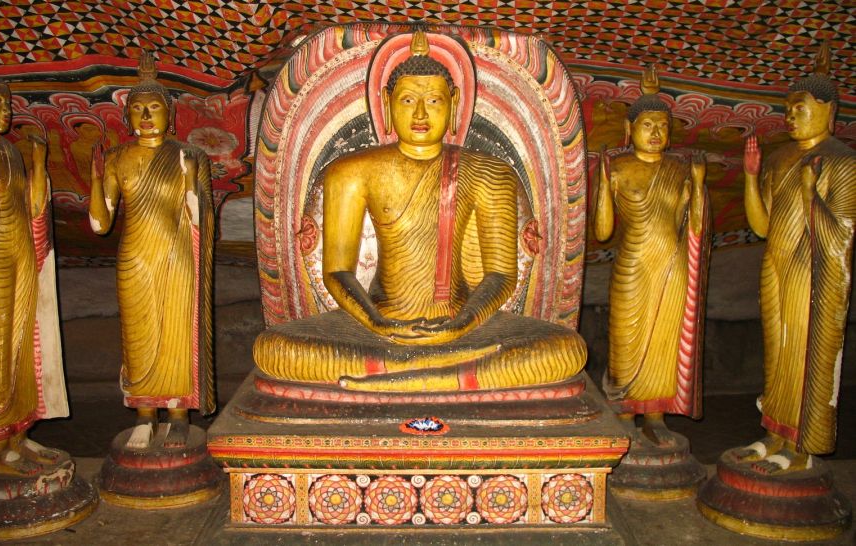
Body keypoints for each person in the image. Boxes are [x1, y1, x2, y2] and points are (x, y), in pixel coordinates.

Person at [252, 31, 586, 392]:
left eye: (434, 101)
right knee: (276, 349)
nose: (421, 114)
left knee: (564, 350)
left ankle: (390, 381)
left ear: (455, 102)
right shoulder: (350, 172)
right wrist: (377, 323)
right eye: (408, 99)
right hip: (375, 328)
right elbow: (336, 270)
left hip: (466, 330)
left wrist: (463, 323)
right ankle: (445, 380)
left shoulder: (490, 172)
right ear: (386, 102)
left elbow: (501, 276)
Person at [735, 43, 855, 474]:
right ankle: (774, 434)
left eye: (800, 107)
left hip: (812, 275)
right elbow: (762, 225)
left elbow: (841, 236)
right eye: (787, 109)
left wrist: (810, 194)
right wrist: (750, 178)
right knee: (778, 353)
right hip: (777, 268)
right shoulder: (781, 157)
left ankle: (802, 445)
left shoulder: (842, 163)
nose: (791, 117)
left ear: (829, 110)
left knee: (806, 356)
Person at [89, 54, 215, 449]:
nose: (146, 116)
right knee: (139, 337)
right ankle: (144, 415)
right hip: (135, 259)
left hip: (178, 258)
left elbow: (203, 218)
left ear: (170, 115)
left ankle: (178, 414)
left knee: (179, 334)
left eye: (155, 107)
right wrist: (96, 177)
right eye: (138, 110)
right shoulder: (117, 158)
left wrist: (191, 180)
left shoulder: (190, 156)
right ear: (127, 119)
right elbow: (99, 223)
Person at [0, 68, 68, 474]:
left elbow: (34, 210)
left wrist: (38, 164)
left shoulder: (11, 151)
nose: (6, 110)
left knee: (24, 346)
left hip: (20, 256)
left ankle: (18, 437)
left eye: (6, 102)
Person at [595, 65, 710, 444]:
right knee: (626, 339)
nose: (656, 132)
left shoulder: (679, 169)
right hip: (632, 264)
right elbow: (603, 232)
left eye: (663, 125)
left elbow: (693, 227)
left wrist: (697, 185)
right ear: (630, 130)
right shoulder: (620, 167)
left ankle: (656, 416)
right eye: (648, 124)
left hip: (671, 267)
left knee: (665, 340)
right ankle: (626, 408)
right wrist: (602, 179)